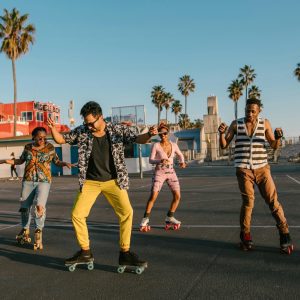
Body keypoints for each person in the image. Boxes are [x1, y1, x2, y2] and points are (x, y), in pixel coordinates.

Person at [47, 101, 158, 269]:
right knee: (77, 214)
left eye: (91, 122)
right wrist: (53, 128)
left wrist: (149, 134)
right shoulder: (83, 131)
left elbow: (138, 139)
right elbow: (62, 139)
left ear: (99, 117)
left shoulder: (116, 130)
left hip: (114, 181)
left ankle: (125, 253)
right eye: (86, 123)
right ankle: (85, 252)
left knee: (127, 213)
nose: (89, 126)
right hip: (90, 182)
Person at [218, 98, 294, 254]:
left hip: (262, 169)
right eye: (247, 110)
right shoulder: (236, 124)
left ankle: (284, 235)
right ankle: (245, 236)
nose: (249, 113)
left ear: (259, 111)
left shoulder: (265, 123)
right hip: (243, 169)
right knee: (248, 203)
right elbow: (224, 145)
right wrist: (220, 133)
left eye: (253, 111)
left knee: (273, 201)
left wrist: (278, 138)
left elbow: (273, 145)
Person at [0, 127, 73, 250]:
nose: (42, 139)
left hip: (44, 181)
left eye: (44, 137)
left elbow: (56, 161)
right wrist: (5, 161)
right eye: (40, 137)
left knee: (40, 206)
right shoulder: (28, 147)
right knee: (24, 208)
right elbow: (20, 161)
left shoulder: (50, 148)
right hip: (28, 181)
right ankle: (25, 229)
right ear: (33, 137)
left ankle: (38, 230)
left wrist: (64, 163)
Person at [140, 123, 186, 232]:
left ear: (168, 133)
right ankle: (145, 219)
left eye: (165, 133)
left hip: (171, 171)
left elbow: (180, 154)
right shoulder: (156, 145)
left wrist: (182, 162)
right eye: (161, 134)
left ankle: (170, 216)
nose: (163, 135)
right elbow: (151, 160)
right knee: (153, 196)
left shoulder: (174, 145)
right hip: (159, 171)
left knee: (177, 196)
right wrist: (159, 160)